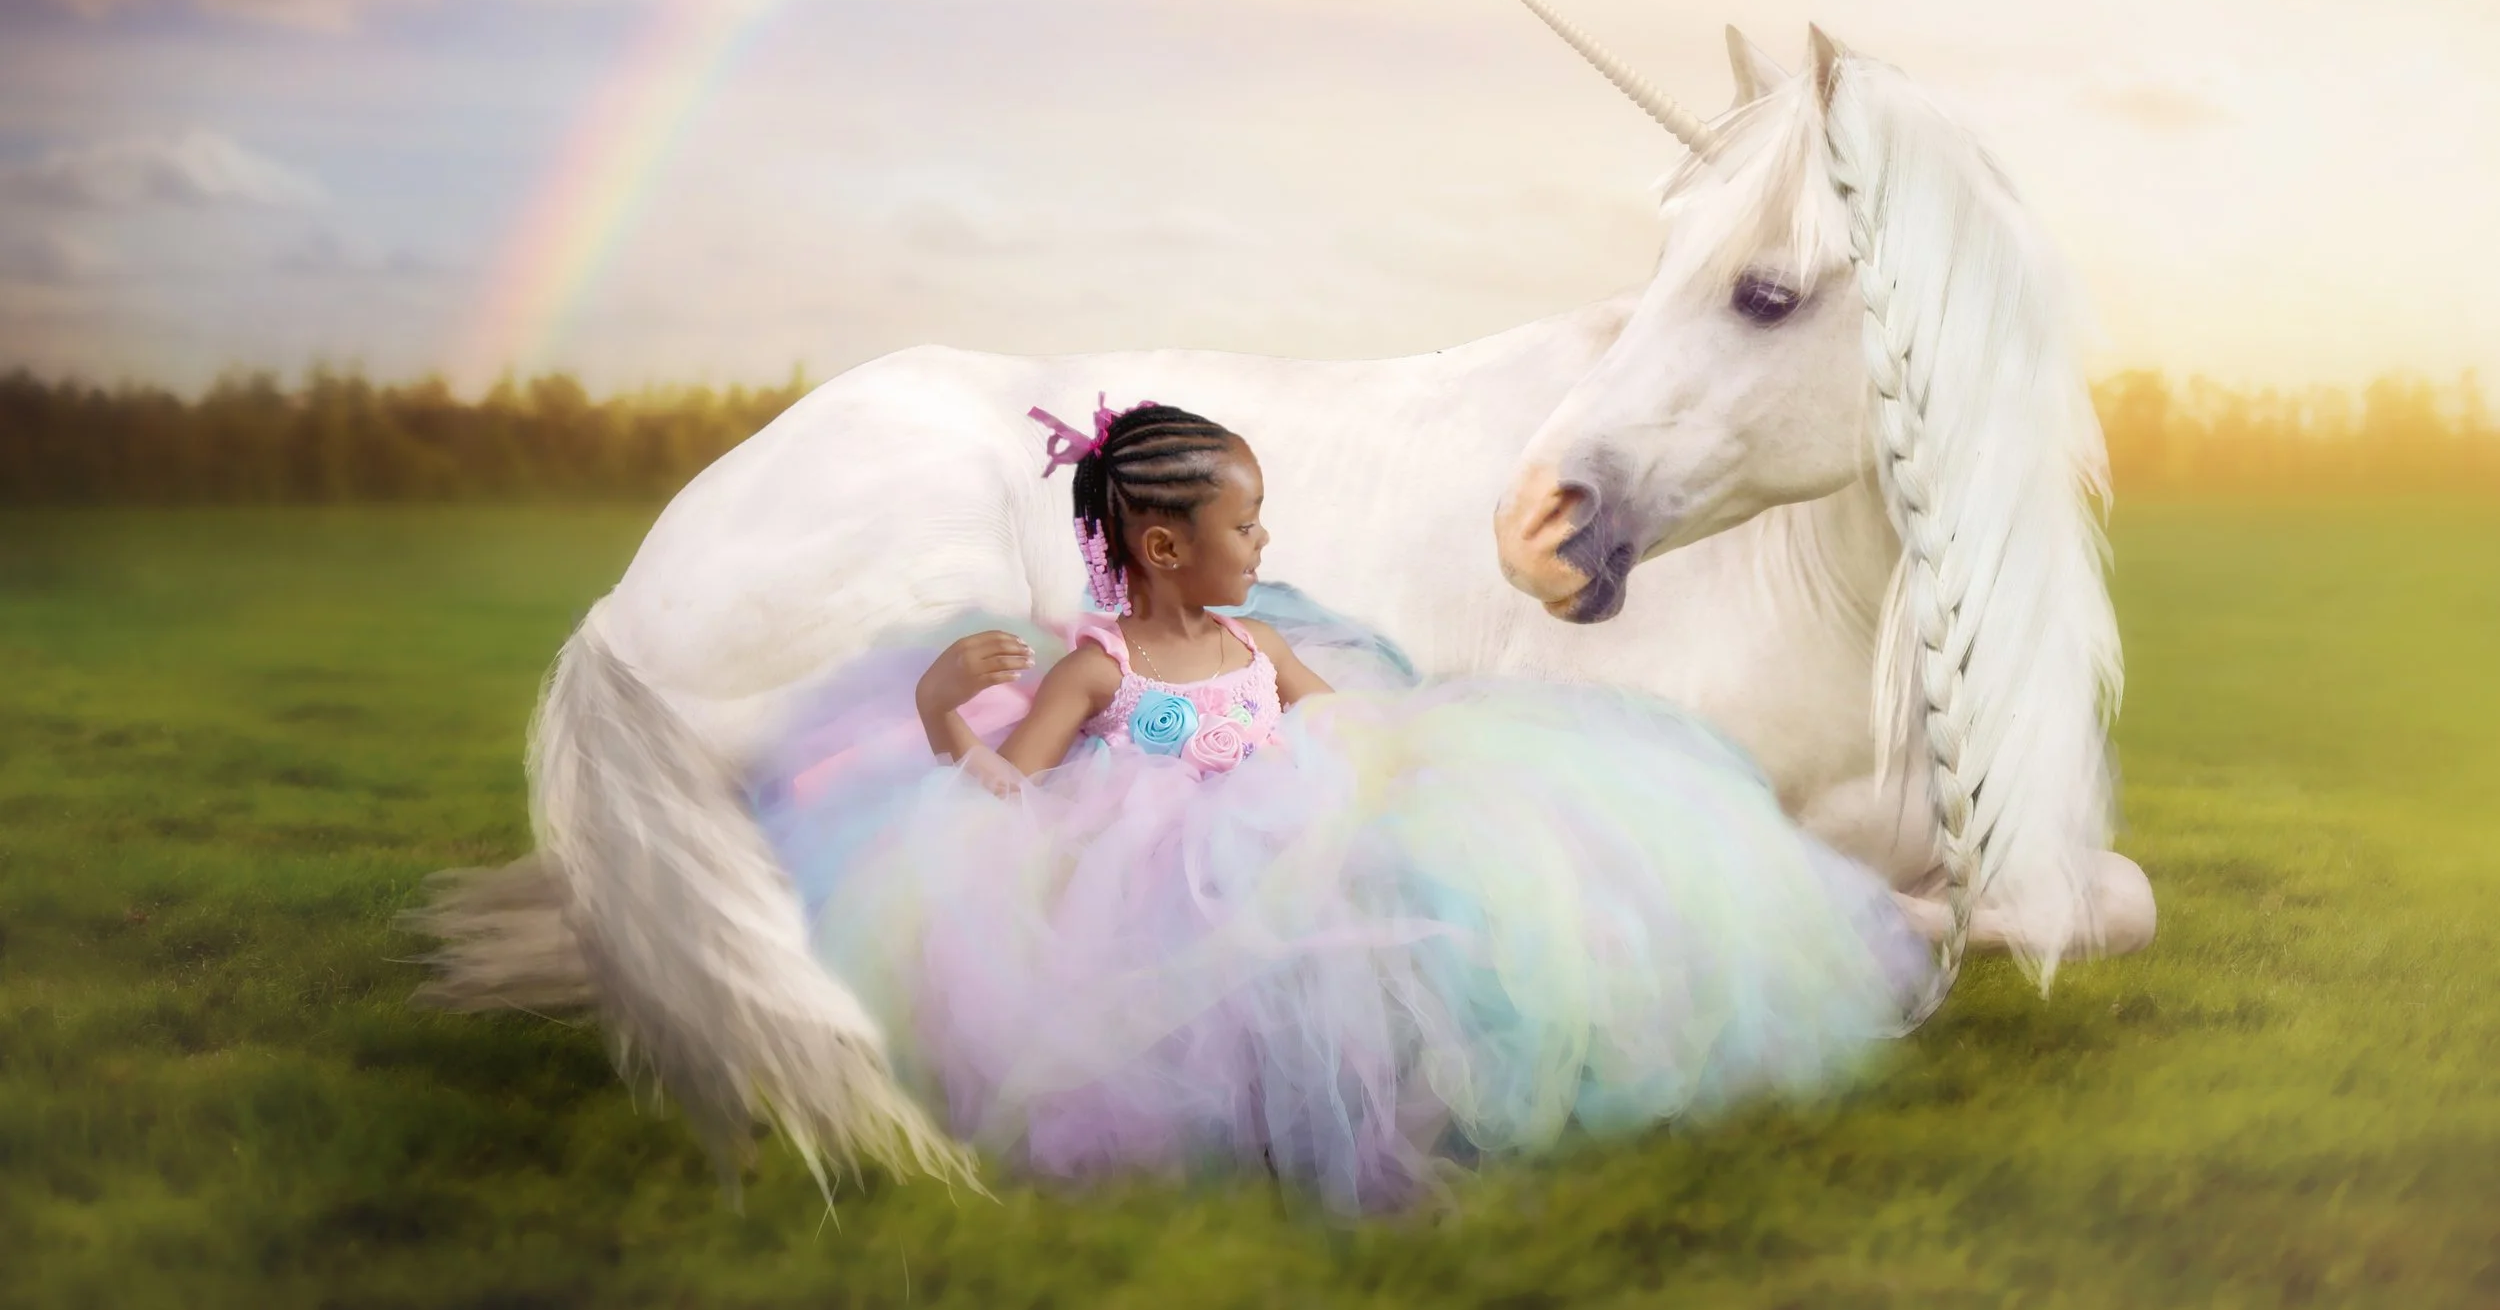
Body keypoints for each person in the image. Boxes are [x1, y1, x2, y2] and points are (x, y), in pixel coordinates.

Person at [745, 399, 1928, 1214]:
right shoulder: (1096, 670)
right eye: (1243, 525)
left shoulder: (1257, 639)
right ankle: (1310, 1137)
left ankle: (1416, 1114)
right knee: (1257, 975)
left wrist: (1411, 766)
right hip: (1166, 869)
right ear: (1162, 544)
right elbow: (1018, 787)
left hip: (1293, 821)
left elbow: (1337, 718)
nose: (1264, 542)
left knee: (1413, 910)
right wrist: (948, 714)